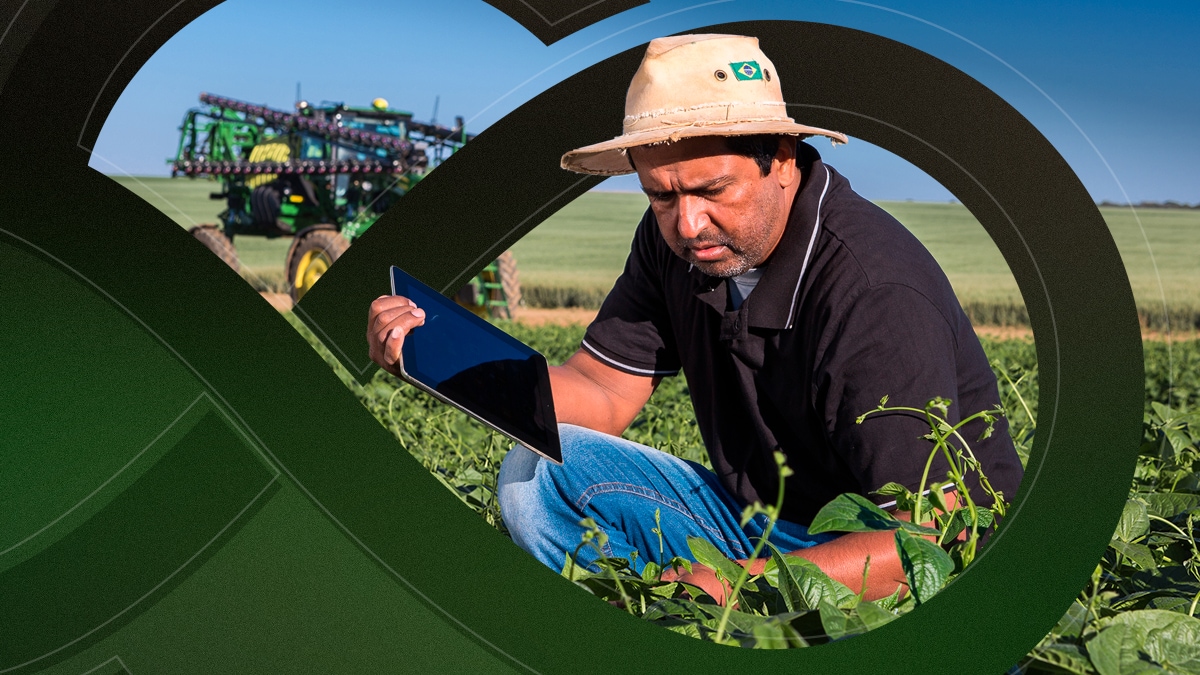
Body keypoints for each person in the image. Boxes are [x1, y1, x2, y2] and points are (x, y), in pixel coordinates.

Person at [367, 34, 1024, 603]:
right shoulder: (675, 246)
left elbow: (930, 542)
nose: (687, 224)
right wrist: (446, 358)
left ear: (784, 160)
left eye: (713, 190)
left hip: (902, 561)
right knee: (537, 472)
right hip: (760, 522)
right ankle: (639, 634)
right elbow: (601, 394)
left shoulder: (872, 294)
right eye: (660, 195)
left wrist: (748, 584)